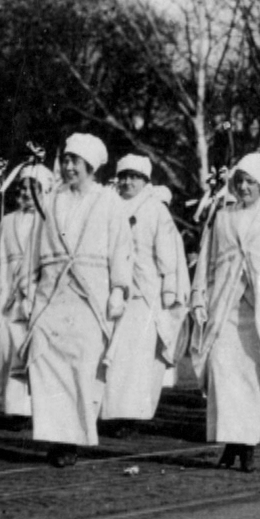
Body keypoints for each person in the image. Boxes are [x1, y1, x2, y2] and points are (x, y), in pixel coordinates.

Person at [26, 133, 133, 468]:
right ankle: (57, 436)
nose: (69, 167)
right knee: (47, 365)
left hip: (90, 297)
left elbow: (122, 249)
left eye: (75, 161)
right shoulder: (52, 200)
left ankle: (71, 438)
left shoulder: (109, 202)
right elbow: (35, 246)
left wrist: (119, 289)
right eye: (66, 160)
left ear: (91, 166)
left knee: (81, 368)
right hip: (52, 296)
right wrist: (28, 285)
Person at [189, 152, 260, 473]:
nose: (244, 187)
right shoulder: (222, 217)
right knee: (223, 372)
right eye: (240, 181)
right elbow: (206, 260)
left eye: (251, 182)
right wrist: (198, 296)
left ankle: (246, 445)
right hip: (224, 309)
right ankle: (230, 443)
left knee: (251, 378)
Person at [101, 154, 189, 435]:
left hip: (144, 293)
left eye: (134, 177)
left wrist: (169, 291)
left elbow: (167, 254)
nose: (127, 181)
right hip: (111, 289)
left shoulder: (155, 210)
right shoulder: (107, 204)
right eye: (123, 176)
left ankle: (128, 416)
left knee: (135, 357)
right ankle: (107, 410)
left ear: (145, 181)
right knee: (108, 352)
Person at [0, 164, 55, 419]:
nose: (26, 193)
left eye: (33, 188)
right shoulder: (7, 221)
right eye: (23, 188)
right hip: (7, 297)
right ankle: (8, 407)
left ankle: (30, 410)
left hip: (35, 297)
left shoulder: (48, 220)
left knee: (30, 354)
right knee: (4, 350)